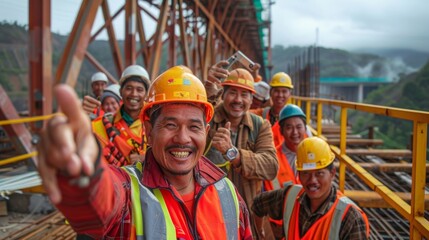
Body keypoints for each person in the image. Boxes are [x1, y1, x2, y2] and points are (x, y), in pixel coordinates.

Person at [36, 66, 253, 239]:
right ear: (148, 131)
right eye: (170, 125)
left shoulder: (228, 193)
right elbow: (103, 199)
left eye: (194, 127)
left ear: (206, 132)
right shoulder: (129, 191)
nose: (183, 138)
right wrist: (84, 173)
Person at [205, 67, 278, 238]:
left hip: (247, 214)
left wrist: (233, 154)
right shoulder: (207, 119)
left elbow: (271, 166)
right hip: (211, 211)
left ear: (252, 99)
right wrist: (208, 88)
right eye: (232, 92)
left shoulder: (260, 125)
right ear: (222, 94)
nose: (238, 100)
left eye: (244, 94)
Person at [252, 137, 370, 239]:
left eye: (319, 173)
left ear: (332, 173)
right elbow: (258, 204)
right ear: (298, 175)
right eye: (306, 173)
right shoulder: (289, 197)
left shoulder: (350, 218)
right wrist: (260, 234)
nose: (312, 181)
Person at [91, 65, 150, 166]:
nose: (134, 94)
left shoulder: (154, 124)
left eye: (139, 90)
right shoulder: (103, 124)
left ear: (146, 95)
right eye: (129, 88)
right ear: (120, 92)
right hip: (111, 180)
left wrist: (147, 158)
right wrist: (79, 116)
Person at [251, 72, 294, 147]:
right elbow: (240, 114)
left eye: (284, 91)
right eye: (276, 91)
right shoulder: (260, 114)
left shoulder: (294, 119)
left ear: (290, 94)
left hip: (284, 158)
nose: (280, 95)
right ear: (270, 93)